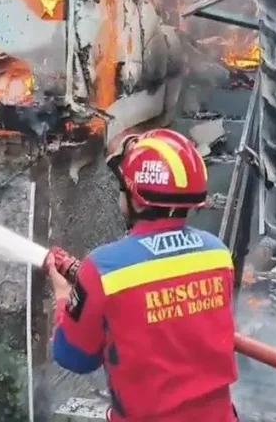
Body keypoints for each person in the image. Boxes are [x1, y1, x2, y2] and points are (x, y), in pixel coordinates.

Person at [45, 128, 239, 421]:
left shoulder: (105, 269)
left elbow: (74, 357)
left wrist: (63, 298)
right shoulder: (218, 254)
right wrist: (83, 278)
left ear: (135, 197)